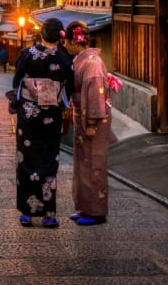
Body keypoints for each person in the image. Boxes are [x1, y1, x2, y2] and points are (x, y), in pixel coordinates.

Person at [11, 17, 73, 228]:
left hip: (29, 115)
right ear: (59, 36)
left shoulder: (26, 54)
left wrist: (22, 100)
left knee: (26, 159)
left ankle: (27, 213)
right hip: (51, 115)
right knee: (48, 160)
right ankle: (48, 214)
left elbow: (17, 81)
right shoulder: (64, 59)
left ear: (42, 33)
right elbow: (69, 86)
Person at [62, 20, 113, 226]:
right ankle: (83, 206)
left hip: (93, 119)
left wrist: (91, 122)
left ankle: (96, 212)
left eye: (67, 41)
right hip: (81, 115)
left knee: (94, 163)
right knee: (82, 162)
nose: (64, 45)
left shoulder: (91, 63)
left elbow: (95, 95)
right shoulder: (81, 60)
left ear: (76, 40)